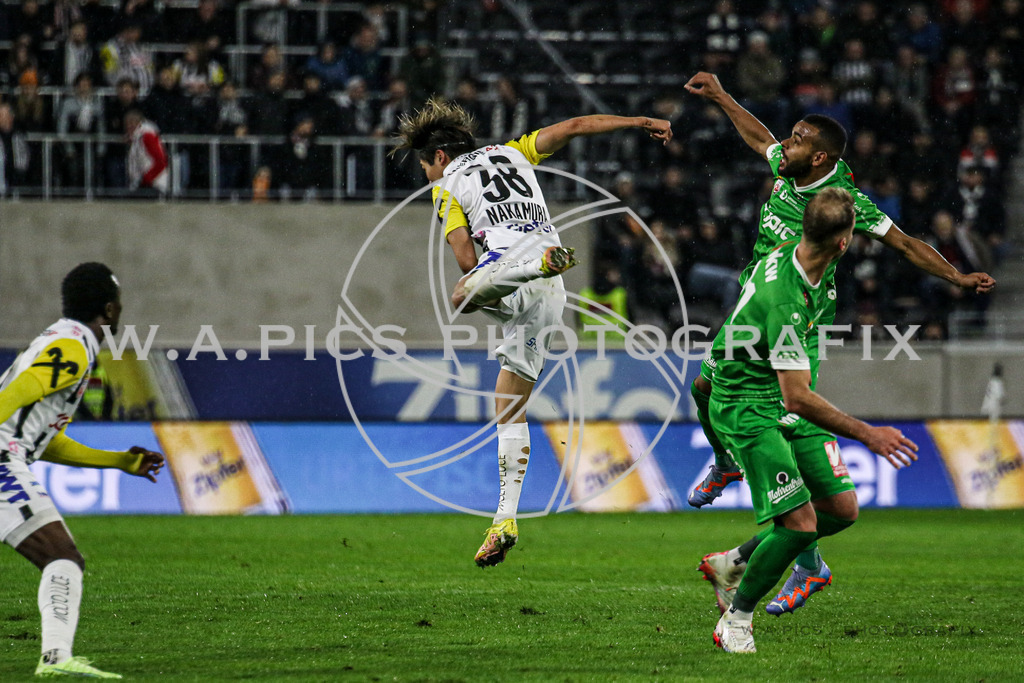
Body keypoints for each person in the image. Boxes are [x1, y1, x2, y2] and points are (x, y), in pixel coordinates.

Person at [681, 72, 995, 612]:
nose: (787, 143)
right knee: (703, 389)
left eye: (800, 139)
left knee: (790, 427)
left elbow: (904, 244)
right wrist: (722, 96)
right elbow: (760, 139)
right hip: (754, 306)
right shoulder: (787, 166)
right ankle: (727, 463)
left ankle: (806, 567)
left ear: (821, 159)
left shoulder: (843, 202)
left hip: (794, 320)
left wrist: (956, 277)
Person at [392, 98, 671, 567]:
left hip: (512, 270)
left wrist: (489, 254)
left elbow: (465, 259)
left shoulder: (446, 184)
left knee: (461, 294)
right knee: (508, 404)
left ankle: (527, 264)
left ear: (438, 158)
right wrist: (638, 119)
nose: (427, 176)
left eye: (425, 166)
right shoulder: (516, 151)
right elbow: (578, 123)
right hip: (552, 291)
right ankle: (504, 520)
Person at [706, 189, 918, 654]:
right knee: (801, 525)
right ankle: (737, 620)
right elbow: (797, 397)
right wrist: (869, 434)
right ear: (845, 243)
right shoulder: (787, 301)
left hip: (769, 391)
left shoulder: (794, 252)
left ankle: (735, 561)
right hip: (750, 404)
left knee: (841, 509)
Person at [1, 262, 164, 677]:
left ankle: (57, 659)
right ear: (109, 310)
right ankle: (56, 659)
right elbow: (22, 390)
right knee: (61, 556)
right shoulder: (74, 349)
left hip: (11, 453)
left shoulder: (62, 341)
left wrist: (120, 461)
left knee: (61, 556)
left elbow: (45, 440)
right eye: (120, 303)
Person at [124, 108, 168, 196]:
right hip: (143, 183)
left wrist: (146, 179)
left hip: (153, 184)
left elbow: (161, 161)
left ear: (139, 123)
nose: (130, 126)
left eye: (133, 123)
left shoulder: (147, 137)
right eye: (128, 124)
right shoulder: (136, 138)